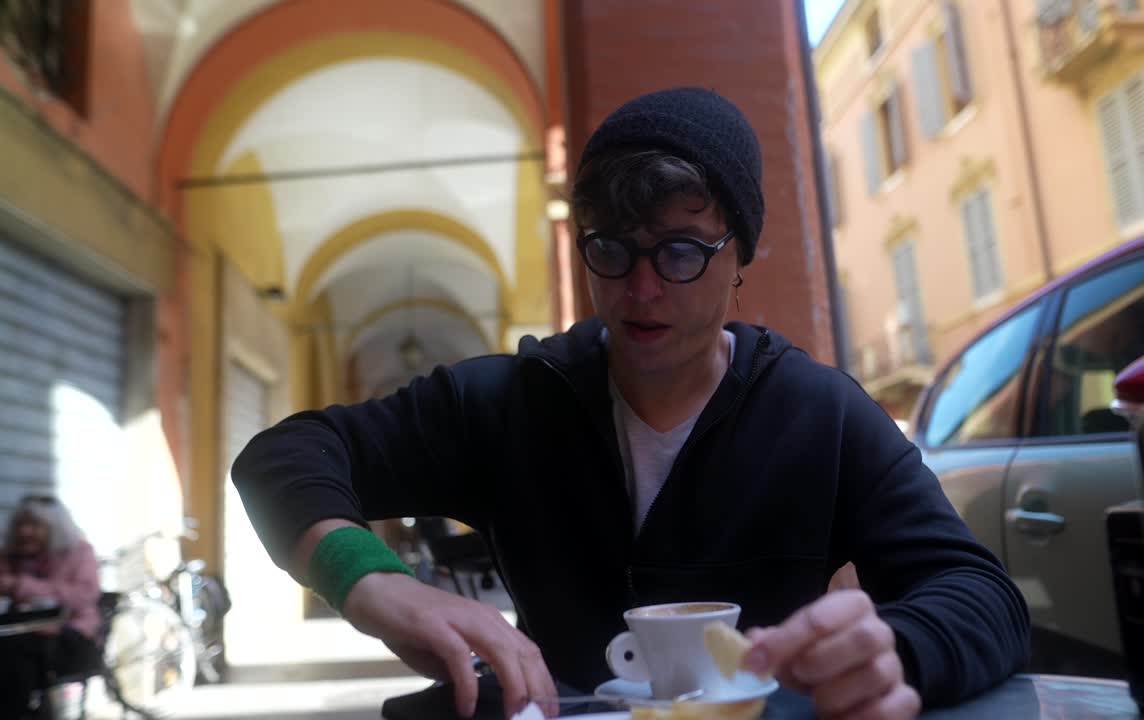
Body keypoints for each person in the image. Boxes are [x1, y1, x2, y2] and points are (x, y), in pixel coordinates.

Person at [233, 87, 1030, 720]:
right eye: (610, 248)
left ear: (739, 256)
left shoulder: (818, 413)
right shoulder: (507, 402)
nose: (641, 288)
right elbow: (284, 456)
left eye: (681, 249)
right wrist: (370, 580)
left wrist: (900, 647)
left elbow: (983, 596)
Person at [0, 496, 102, 719]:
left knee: (11, 657)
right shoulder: (12, 556)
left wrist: (20, 586)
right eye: (21, 524)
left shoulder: (79, 553)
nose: (26, 531)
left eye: (35, 525)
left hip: (70, 638)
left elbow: (84, 596)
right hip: (20, 635)